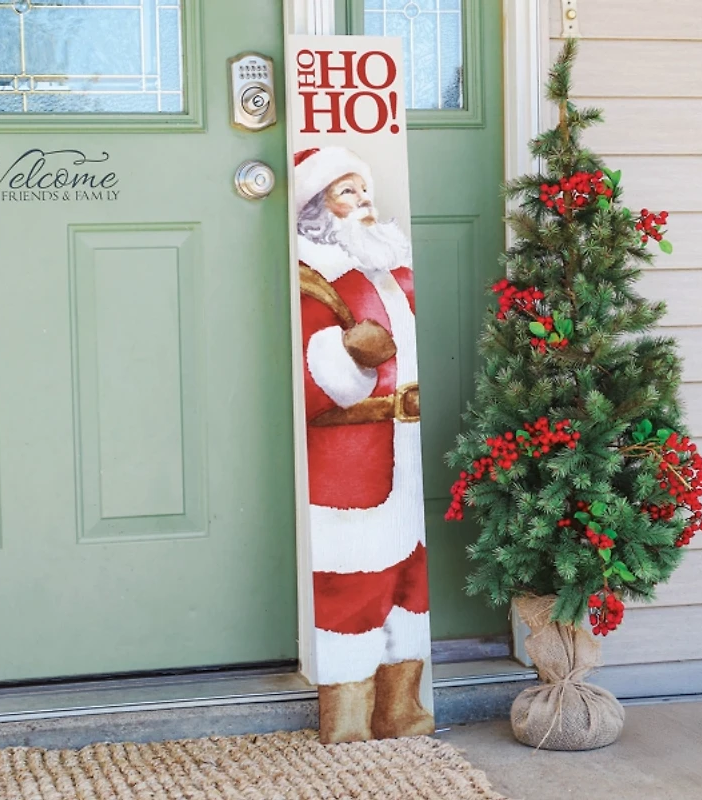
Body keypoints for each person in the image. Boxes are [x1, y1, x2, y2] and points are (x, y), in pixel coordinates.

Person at [294, 146, 434, 743]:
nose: (364, 199)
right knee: (352, 589)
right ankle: (349, 725)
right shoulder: (315, 280)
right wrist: (349, 356)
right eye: (346, 191)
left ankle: (403, 713)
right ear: (315, 208)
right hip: (354, 465)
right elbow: (311, 384)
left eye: (363, 187)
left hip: (406, 458)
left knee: (410, 586)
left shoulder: (390, 271)